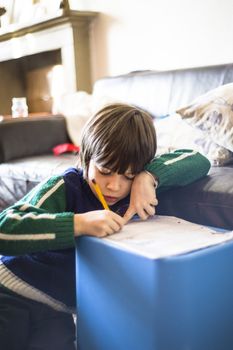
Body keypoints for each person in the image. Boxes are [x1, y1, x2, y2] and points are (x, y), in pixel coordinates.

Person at [0, 103, 210, 350]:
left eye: (129, 175)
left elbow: (199, 160)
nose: (114, 186)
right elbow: (5, 229)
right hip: (11, 290)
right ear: (87, 159)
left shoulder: (137, 191)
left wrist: (149, 177)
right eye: (105, 171)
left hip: (56, 310)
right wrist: (77, 223)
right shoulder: (65, 187)